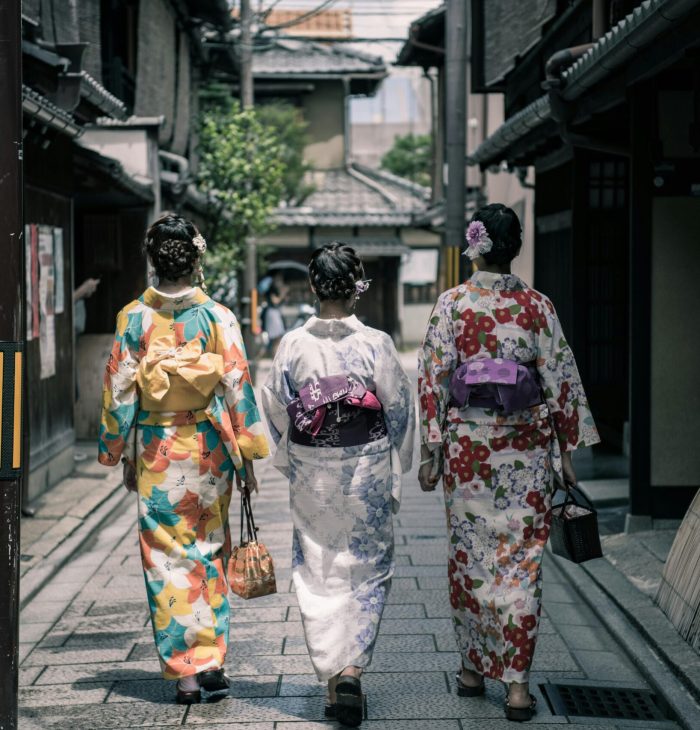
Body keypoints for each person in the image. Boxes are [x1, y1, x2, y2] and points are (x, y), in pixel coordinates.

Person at [417, 204, 599, 722]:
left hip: (468, 452)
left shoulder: (452, 304)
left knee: (471, 557)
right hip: (526, 449)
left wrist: (431, 453)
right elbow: (561, 379)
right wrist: (566, 453)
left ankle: (473, 669)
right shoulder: (537, 306)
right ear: (515, 247)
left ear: (473, 246)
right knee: (521, 564)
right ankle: (517, 686)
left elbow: (433, 381)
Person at [97, 213, 270, 704]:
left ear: (153, 260)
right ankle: (212, 660)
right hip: (210, 445)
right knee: (209, 547)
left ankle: (186, 674)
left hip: (156, 447)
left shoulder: (134, 317)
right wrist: (249, 452)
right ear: (196, 259)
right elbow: (238, 383)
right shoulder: (218, 316)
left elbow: (119, 391)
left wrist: (117, 448)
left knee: (166, 558)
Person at [261, 243, 415, 727]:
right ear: (356, 287)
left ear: (313, 288)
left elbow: (274, 406)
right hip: (365, 463)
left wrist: (293, 449)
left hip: (312, 464)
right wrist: (398, 457)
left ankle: (333, 681)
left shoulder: (292, 345)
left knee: (318, 566)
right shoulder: (376, 344)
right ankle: (351, 670)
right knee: (367, 567)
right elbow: (398, 409)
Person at [262, 283, 287, 357]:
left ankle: (275, 358)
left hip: (273, 315)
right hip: (273, 316)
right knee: (276, 341)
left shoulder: (272, 291)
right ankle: (274, 358)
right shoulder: (272, 291)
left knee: (276, 341)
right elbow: (275, 301)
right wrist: (282, 295)